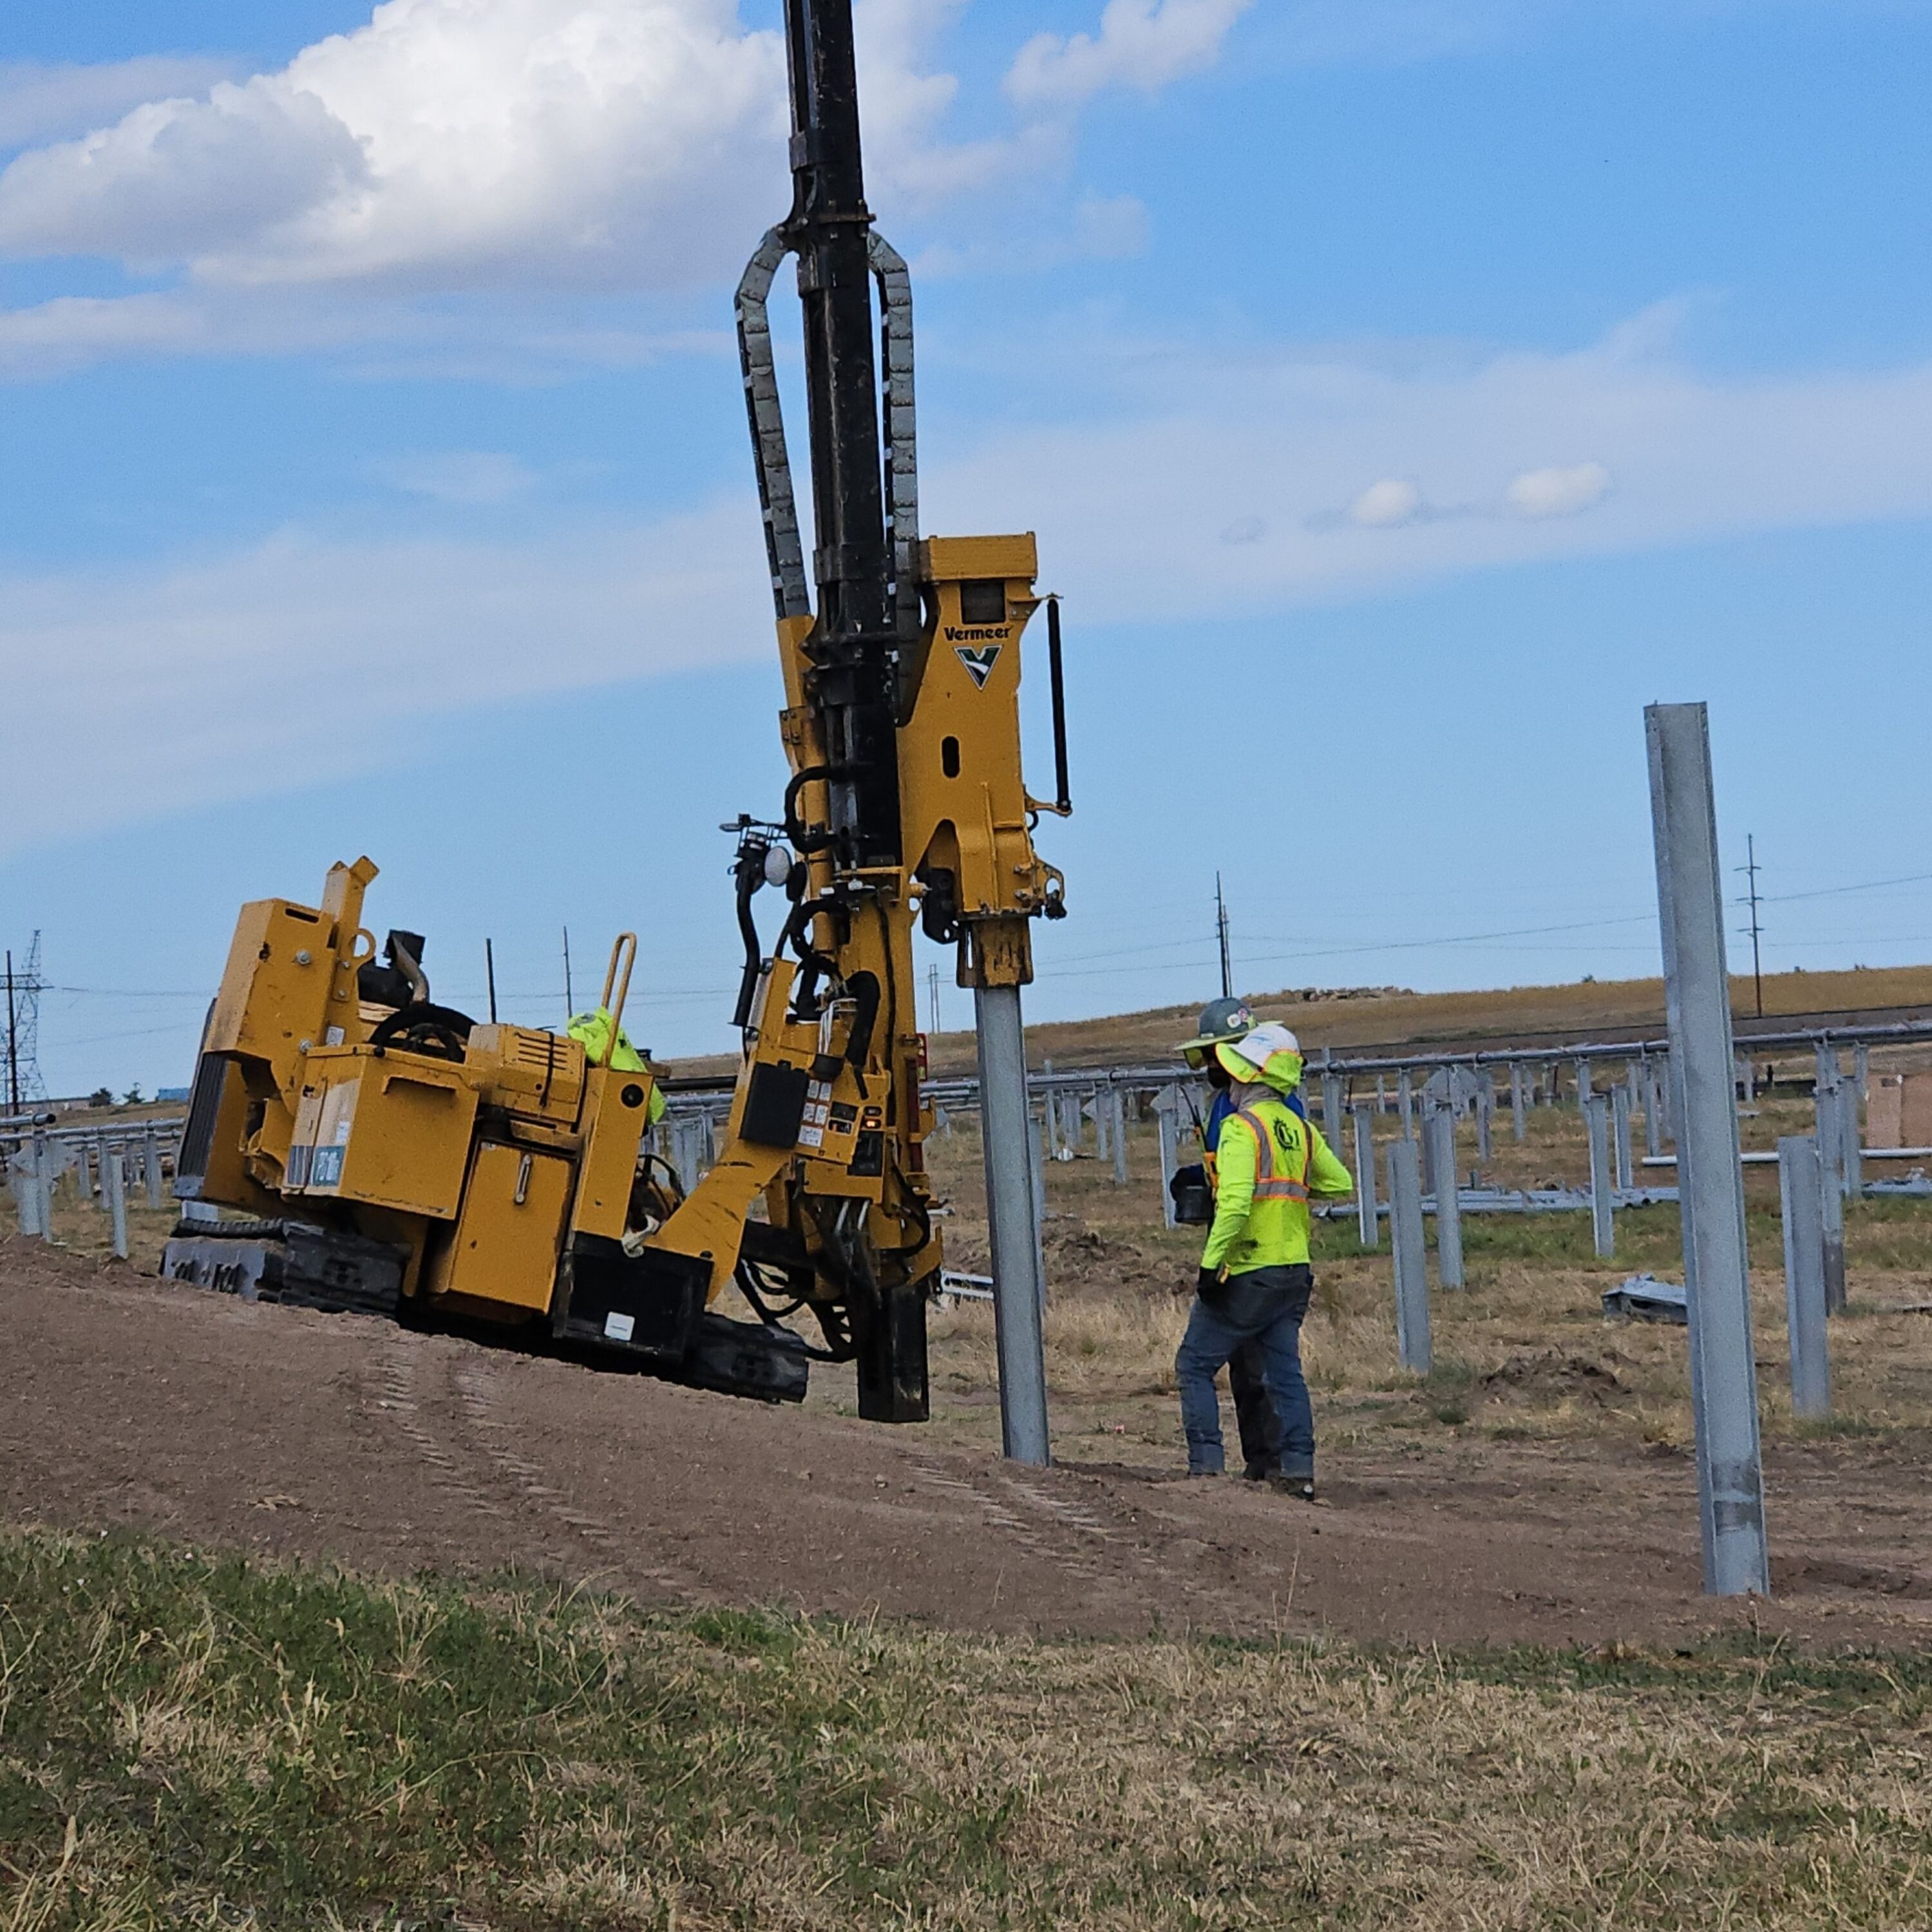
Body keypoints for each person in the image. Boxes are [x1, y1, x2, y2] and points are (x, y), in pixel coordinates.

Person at [1174, 1022, 1353, 1498]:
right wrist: (1291, 1188)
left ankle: (1206, 1468)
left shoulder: (1240, 1129)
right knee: (1284, 1373)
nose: (1229, 1082)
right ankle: (1298, 1471)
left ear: (1250, 1078)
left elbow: (1233, 1205)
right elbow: (1339, 1183)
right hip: (1294, 1271)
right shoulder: (1299, 1129)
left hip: (1248, 1273)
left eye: (1235, 1074)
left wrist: (1211, 1266)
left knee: (1193, 1364)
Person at [1176, 998, 1280, 1481]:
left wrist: (1214, 1263)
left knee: (1230, 1365)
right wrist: (1197, 1176)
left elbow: (1254, 1178)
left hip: (1250, 1255)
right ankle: (1267, 1465)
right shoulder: (1227, 1104)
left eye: (1218, 1054)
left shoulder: (1265, 1105)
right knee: (1250, 1366)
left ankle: (1229, 1468)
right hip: (1248, 1254)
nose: (1212, 1067)